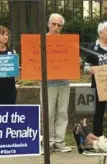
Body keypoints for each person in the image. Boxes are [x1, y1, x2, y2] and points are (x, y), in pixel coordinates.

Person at [40, 13, 72, 153]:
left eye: (59, 25)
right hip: (48, 83)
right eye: (54, 24)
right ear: (48, 24)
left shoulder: (67, 41)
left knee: (62, 112)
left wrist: (76, 63)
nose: (56, 27)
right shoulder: (41, 40)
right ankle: (48, 142)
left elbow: (71, 59)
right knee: (48, 113)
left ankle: (59, 142)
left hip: (64, 82)